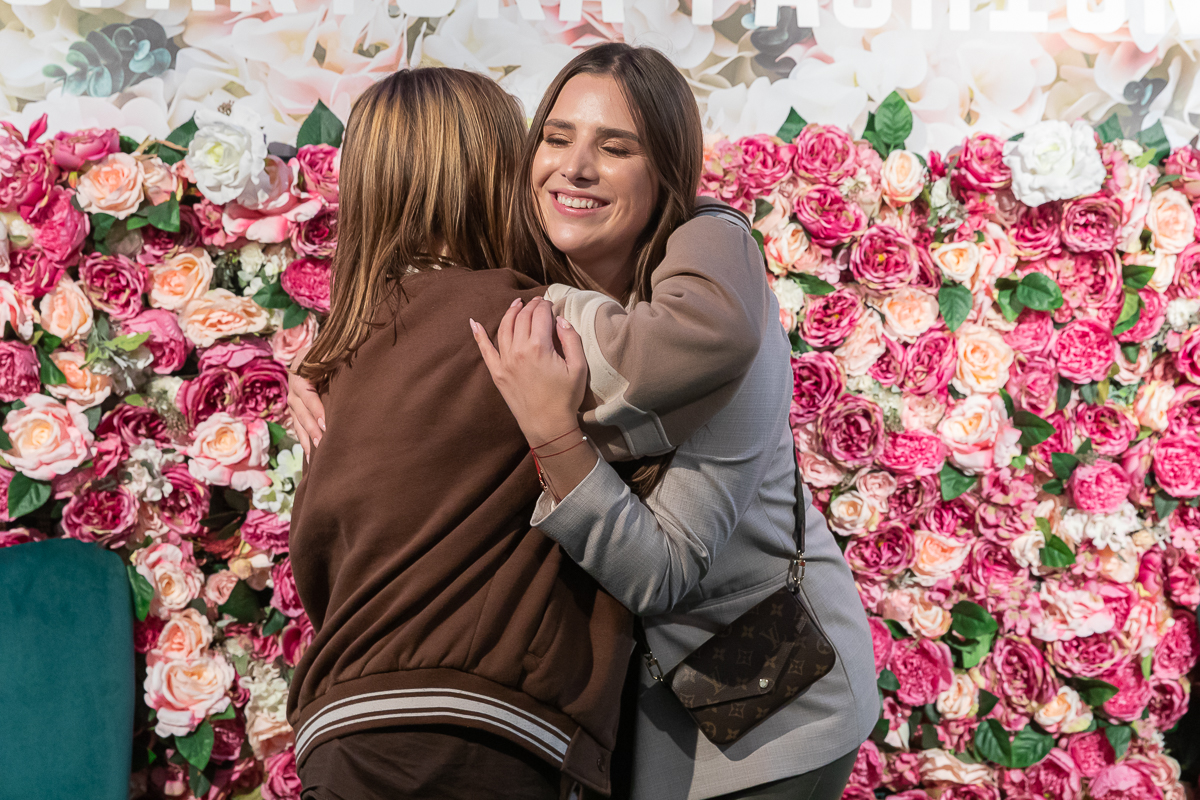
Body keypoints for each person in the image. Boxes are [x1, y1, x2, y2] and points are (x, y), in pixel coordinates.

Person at [288, 45, 877, 800]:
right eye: (556, 138)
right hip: (624, 714)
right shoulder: (536, 290)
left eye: (616, 146)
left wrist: (555, 433)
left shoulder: (725, 322)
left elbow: (659, 574)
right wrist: (323, 373)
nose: (576, 166)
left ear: (663, 169)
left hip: (760, 697)